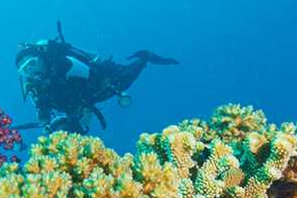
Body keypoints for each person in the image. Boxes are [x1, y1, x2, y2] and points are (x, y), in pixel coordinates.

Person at [15, 22, 178, 134]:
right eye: (25, 70)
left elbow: (94, 75)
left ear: (42, 59)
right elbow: (42, 112)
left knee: (127, 78)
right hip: (78, 103)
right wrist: (47, 125)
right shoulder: (34, 88)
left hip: (101, 84)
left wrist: (86, 108)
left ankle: (144, 57)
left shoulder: (64, 64)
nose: (31, 70)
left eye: (32, 63)